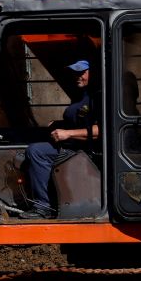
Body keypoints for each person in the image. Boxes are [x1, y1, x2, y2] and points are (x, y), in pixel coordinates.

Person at [24, 59, 99, 218]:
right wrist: (60, 124)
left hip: (84, 152)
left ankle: (43, 207)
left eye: (81, 73)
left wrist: (68, 133)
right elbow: (80, 120)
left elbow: (100, 131)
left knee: (36, 151)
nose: (77, 76)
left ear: (94, 73)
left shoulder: (98, 98)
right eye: (75, 73)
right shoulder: (81, 96)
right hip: (73, 147)